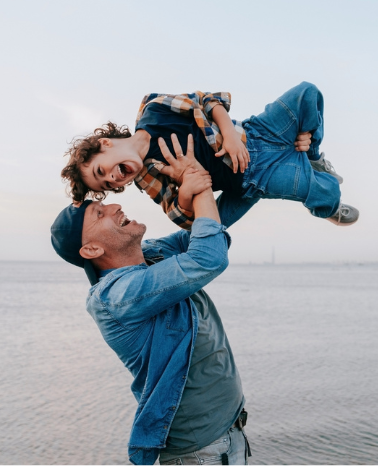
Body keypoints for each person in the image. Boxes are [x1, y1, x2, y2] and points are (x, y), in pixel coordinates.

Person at [51, 135, 249, 465]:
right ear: (91, 250)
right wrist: (197, 187)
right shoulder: (115, 297)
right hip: (201, 453)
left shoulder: (152, 255)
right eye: (100, 214)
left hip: (229, 433)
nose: (115, 206)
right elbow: (208, 257)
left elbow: (212, 225)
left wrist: (253, 167)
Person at [60, 81, 359, 230]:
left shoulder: (154, 109)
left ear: (105, 144)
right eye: (108, 186)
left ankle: (312, 155)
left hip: (255, 132)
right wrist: (186, 188)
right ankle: (327, 207)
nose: (113, 180)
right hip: (252, 177)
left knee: (308, 93)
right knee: (325, 191)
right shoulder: (148, 176)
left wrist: (228, 134)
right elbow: (178, 214)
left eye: (102, 172)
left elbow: (206, 100)